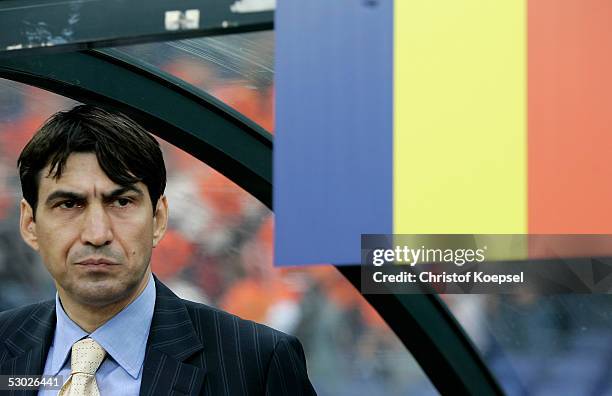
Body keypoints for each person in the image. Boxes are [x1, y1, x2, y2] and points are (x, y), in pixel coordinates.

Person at [0, 105, 316, 395]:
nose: (97, 234)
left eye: (121, 202)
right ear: (30, 224)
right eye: (69, 204)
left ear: (159, 218)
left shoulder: (255, 365)